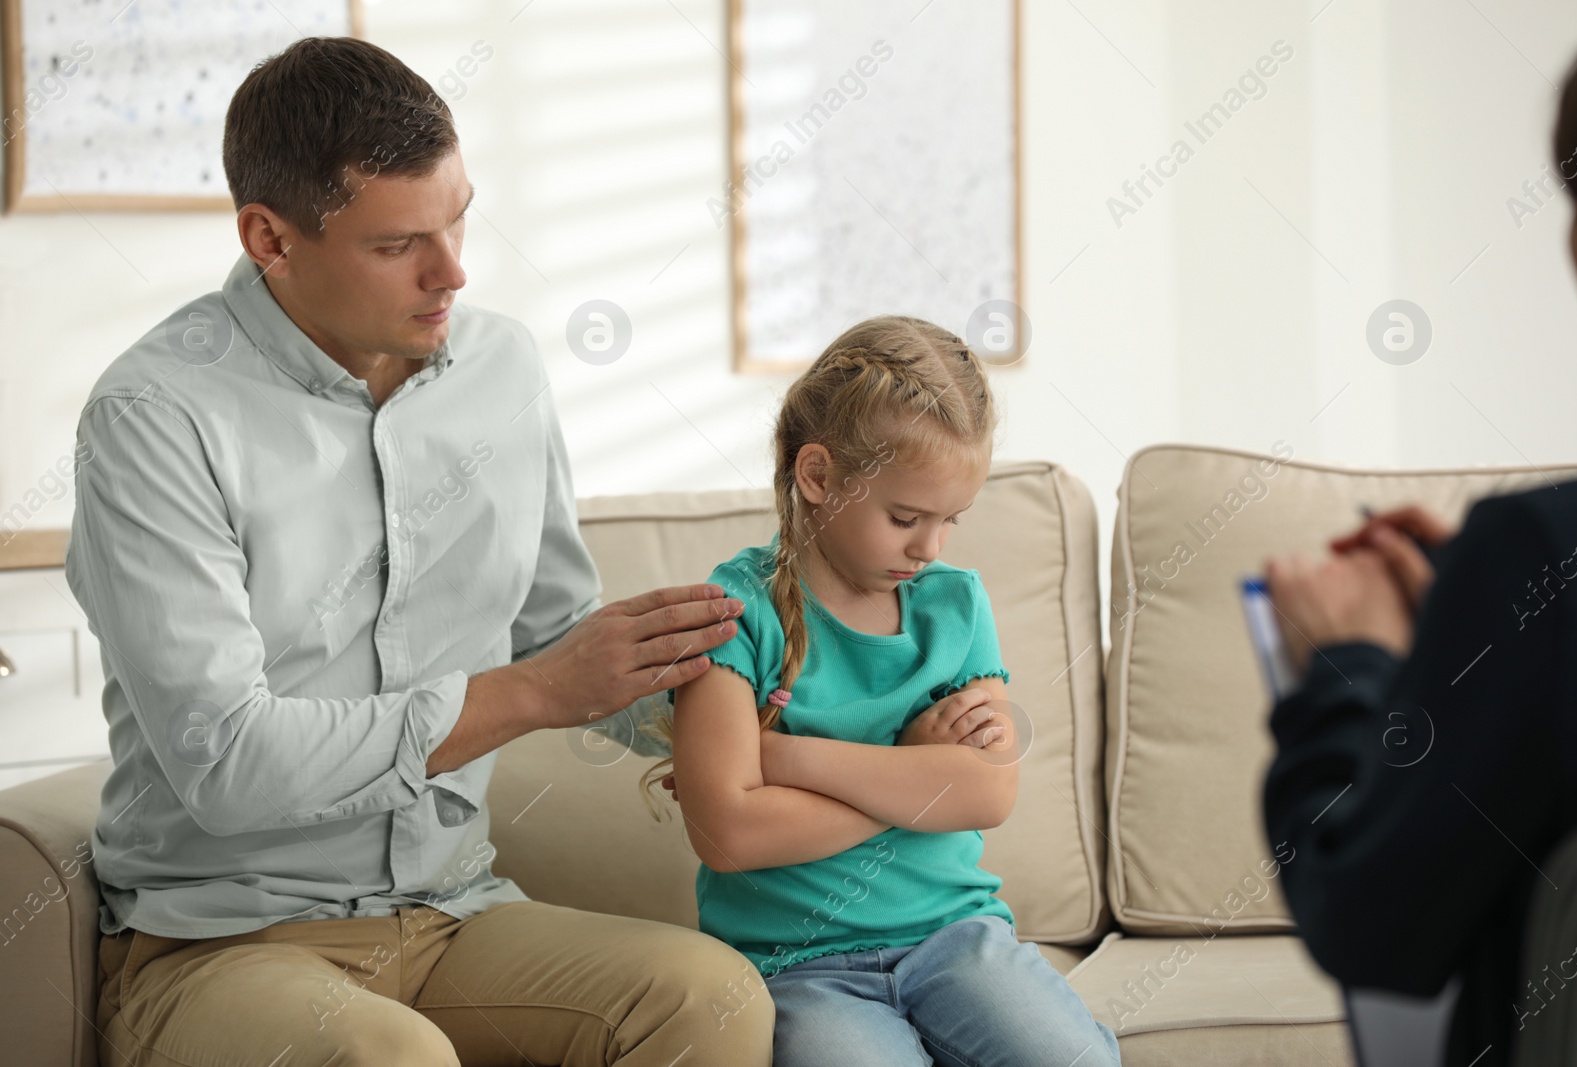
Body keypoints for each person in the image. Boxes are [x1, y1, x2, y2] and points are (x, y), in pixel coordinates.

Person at [69, 36, 771, 1066]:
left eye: (458, 218)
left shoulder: (502, 367)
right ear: (270, 237)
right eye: (400, 243)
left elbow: (555, 628)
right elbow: (225, 760)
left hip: (451, 912)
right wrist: (530, 691)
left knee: (710, 997)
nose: (453, 271)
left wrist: (748, 689)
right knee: (388, 1054)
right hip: (221, 942)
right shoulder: (156, 415)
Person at [649, 317, 1122, 1066]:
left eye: (949, 521)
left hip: (957, 936)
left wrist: (786, 758)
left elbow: (985, 794)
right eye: (904, 517)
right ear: (818, 476)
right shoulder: (735, 613)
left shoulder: (956, 605)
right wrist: (914, 772)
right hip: (801, 966)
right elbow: (728, 834)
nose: (929, 547)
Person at [1260, 33, 1577, 1066]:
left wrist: (1342, 668)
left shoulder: (1537, 559)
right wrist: (1482, 615)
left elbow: (1369, 923)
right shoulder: (1528, 573)